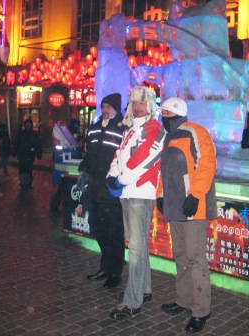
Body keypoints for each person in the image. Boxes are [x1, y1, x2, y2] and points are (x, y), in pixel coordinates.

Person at [156, 97, 217, 333]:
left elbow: (207, 164)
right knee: (181, 256)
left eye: (167, 112)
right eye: (163, 113)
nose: (164, 116)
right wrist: (161, 195)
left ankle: (201, 310)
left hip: (193, 208)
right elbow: (166, 172)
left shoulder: (196, 131)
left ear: (177, 113)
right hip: (175, 207)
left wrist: (195, 195)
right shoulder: (168, 138)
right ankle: (184, 301)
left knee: (195, 259)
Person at [107, 87, 165, 320]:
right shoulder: (130, 130)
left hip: (141, 193)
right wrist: (112, 176)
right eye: (134, 103)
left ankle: (133, 302)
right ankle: (144, 289)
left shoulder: (155, 129)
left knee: (136, 249)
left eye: (142, 103)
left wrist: (119, 179)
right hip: (128, 193)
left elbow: (144, 160)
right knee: (137, 247)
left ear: (150, 105)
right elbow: (118, 155)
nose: (138, 107)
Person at [77, 93, 126, 288]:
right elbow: (89, 155)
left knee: (114, 232)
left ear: (116, 108)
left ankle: (116, 270)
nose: (105, 110)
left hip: (112, 192)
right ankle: (105, 266)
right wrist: (84, 173)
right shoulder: (95, 128)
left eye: (108, 107)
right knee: (97, 228)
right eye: (103, 106)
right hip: (96, 189)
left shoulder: (124, 128)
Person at [11, 119, 42, 190]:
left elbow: (38, 144)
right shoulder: (21, 133)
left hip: (30, 156)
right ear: (25, 125)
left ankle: (28, 184)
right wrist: (14, 152)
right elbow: (16, 143)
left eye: (29, 124)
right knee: (22, 170)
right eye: (27, 124)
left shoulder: (34, 134)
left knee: (29, 170)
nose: (28, 125)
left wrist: (38, 153)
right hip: (22, 155)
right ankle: (22, 183)